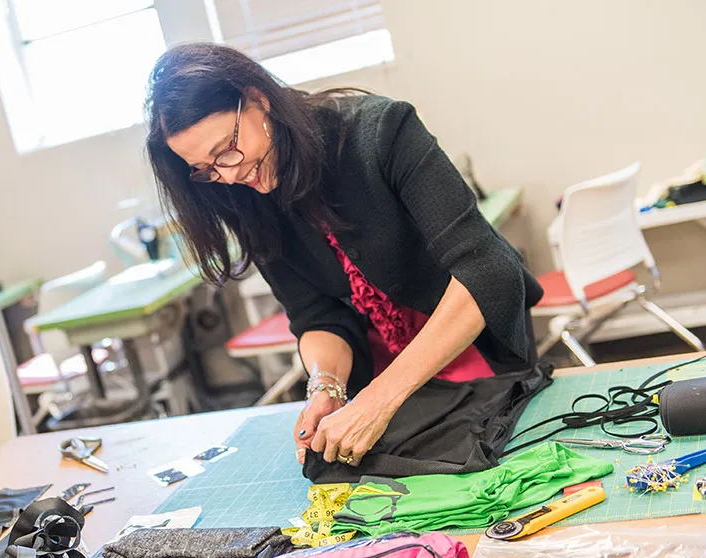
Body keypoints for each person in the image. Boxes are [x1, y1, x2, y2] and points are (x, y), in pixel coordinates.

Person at [145, 43, 542, 469]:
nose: (228, 174)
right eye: (206, 168)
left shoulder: (381, 132)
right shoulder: (247, 196)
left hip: (465, 347)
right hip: (381, 377)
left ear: (258, 99)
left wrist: (379, 399)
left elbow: (486, 269)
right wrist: (326, 387)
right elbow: (315, 316)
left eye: (227, 148)